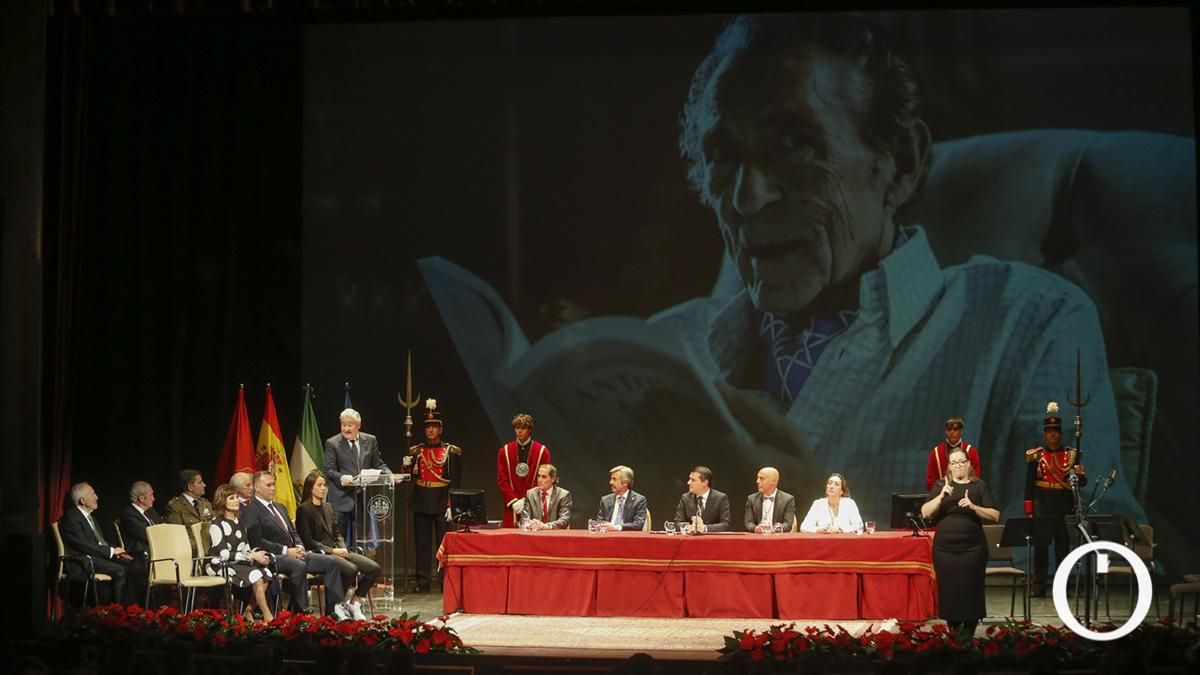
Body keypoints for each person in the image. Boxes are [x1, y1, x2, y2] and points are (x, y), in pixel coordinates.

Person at [653, 13, 1139, 526]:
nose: (747, 198)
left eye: (792, 143)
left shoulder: (1026, 322)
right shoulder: (663, 343)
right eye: (723, 155)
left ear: (901, 162)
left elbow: (1090, 564)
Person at [241, 470, 346, 616]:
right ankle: (301, 611)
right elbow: (257, 541)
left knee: (331, 562)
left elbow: (294, 532)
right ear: (257, 488)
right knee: (299, 566)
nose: (273, 488)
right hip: (273, 556)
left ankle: (332, 611)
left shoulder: (280, 507)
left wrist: (299, 546)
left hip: (294, 553)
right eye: (269, 485)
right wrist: (286, 551)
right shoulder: (251, 510)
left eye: (274, 484)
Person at [921, 448, 1001, 635]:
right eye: (953, 462)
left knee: (970, 590)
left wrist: (973, 506)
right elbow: (925, 512)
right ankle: (954, 633)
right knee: (950, 591)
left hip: (972, 548)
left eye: (961, 462)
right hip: (945, 549)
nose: (957, 465)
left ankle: (969, 633)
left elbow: (995, 515)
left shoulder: (978, 486)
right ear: (949, 466)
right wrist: (941, 496)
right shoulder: (942, 485)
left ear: (967, 464)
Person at [296, 470, 381, 620]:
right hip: (320, 554)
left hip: (337, 550)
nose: (323, 488)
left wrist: (342, 547)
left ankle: (354, 601)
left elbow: (337, 534)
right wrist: (333, 550)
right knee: (351, 569)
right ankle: (335, 605)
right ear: (311, 488)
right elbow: (308, 541)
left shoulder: (328, 507)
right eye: (319, 485)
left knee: (373, 568)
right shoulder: (304, 509)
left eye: (324, 485)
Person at [1025, 401, 1086, 596]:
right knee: (1041, 547)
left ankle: (1062, 585)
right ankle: (1039, 585)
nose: (1052, 434)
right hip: (1043, 503)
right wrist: (1029, 508)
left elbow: (1081, 482)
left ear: (1060, 433)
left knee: (1062, 547)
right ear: (1045, 433)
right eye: (1049, 431)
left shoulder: (1072, 455)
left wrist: (1079, 475)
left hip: (1063, 503)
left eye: (1056, 431)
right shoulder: (1036, 456)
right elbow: (1028, 484)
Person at [323, 408, 401, 547]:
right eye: (343, 424)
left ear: (358, 426)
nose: (346, 428)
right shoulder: (332, 443)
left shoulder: (370, 440)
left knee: (360, 542)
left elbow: (379, 464)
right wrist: (342, 478)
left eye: (350, 425)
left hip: (362, 499)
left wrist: (390, 475)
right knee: (338, 542)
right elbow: (329, 470)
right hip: (341, 499)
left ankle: (359, 568)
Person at [407, 398, 461, 593]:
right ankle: (422, 582)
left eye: (434, 426)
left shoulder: (451, 452)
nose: (430, 430)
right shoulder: (416, 451)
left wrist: (451, 505)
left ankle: (444, 580)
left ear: (440, 429)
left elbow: (456, 482)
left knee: (443, 544)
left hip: (441, 500)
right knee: (421, 544)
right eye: (428, 426)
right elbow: (410, 476)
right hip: (421, 499)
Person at [206, 484, 275, 624]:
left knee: (266, 573)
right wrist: (249, 557)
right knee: (256, 575)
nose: (237, 500)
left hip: (238, 561)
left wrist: (256, 554)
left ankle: (248, 610)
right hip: (220, 564)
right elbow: (224, 554)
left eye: (237, 497)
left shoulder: (240, 522)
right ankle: (268, 616)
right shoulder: (216, 524)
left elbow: (246, 548)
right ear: (222, 501)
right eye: (232, 498)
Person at [59, 482, 133, 605]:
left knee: (132, 565)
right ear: (82, 500)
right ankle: (115, 611)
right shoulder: (72, 518)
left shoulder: (91, 518)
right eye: (93, 494)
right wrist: (111, 551)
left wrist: (117, 550)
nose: (97, 497)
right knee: (120, 570)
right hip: (81, 560)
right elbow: (83, 544)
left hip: (95, 557)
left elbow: (100, 541)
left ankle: (121, 608)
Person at [497, 413, 551, 528]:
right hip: (512, 506)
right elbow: (502, 479)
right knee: (510, 541)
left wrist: (526, 500)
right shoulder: (504, 451)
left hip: (534, 505)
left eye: (523, 428)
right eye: (517, 428)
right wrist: (513, 501)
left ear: (530, 430)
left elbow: (543, 480)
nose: (519, 431)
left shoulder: (542, 452)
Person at [120, 481, 161, 602]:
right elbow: (147, 535)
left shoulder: (151, 512)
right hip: (139, 554)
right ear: (142, 498)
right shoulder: (129, 514)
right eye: (151, 495)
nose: (154, 498)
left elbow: (161, 529)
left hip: (156, 551)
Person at [163, 469, 214, 557]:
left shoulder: (206, 504)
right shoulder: (175, 507)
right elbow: (177, 535)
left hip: (210, 550)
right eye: (200, 482)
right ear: (190, 487)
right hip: (190, 553)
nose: (204, 485)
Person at [925, 418, 982, 491]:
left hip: (965, 496)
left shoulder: (971, 452)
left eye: (955, 429)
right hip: (941, 496)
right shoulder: (935, 453)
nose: (952, 432)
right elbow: (931, 480)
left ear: (961, 431)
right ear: (946, 431)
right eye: (949, 429)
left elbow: (975, 478)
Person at [673, 466, 732, 533]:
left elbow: (725, 524)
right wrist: (689, 527)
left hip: (711, 541)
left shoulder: (720, 498)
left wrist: (704, 528)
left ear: (705, 482)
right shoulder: (685, 498)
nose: (688, 482)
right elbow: (678, 522)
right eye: (689, 479)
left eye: (693, 480)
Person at [798, 473, 863, 533]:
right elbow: (804, 527)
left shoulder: (849, 503)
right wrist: (818, 530)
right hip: (823, 543)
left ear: (841, 491)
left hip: (845, 543)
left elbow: (859, 526)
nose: (831, 486)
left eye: (836, 484)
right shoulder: (818, 504)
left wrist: (840, 530)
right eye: (830, 483)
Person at [744, 467, 796, 533]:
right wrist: (756, 528)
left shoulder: (788, 499)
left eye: (761, 478)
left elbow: (788, 525)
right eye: (758, 478)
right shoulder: (751, 499)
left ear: (774, 481)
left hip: (777, 539)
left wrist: (774, 529)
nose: (757, 481)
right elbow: (748, 523)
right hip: (758, 538)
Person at [596, 465, 647, 531]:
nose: (610, 482)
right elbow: (599, 521)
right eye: (611, 479)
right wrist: (601, 525)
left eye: (614, 479)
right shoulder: (605, 500)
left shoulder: (639, 500)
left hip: (628, 538)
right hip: (607, 536)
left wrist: (617, 527)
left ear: (625, 483)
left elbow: (638, 524)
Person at [522, 464, 572, 530]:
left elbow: (564, 519)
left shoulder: (563, 495)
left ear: (553, 479)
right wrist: (530, 524)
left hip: (555, 535)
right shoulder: (530, 494)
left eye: (544, 477)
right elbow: (525, 517)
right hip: (535, 534)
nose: (540, 480)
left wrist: (546, 526)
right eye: (538, 476)